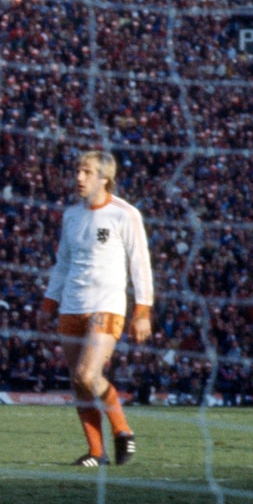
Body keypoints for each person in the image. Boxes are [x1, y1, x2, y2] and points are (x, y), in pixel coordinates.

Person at [37, 149, 153, 467]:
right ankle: (96, 453)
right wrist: (49, 303)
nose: (79, 177)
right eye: (78, 170)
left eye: (87, 172)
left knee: (89, 374)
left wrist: (142, 311)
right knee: (77, 380)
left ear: (105, 178)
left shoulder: (124, 214)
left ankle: (123, 431)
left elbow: (140, 264)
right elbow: (63, 265)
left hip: (108, 306)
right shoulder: (72, 216)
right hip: (72, 306)